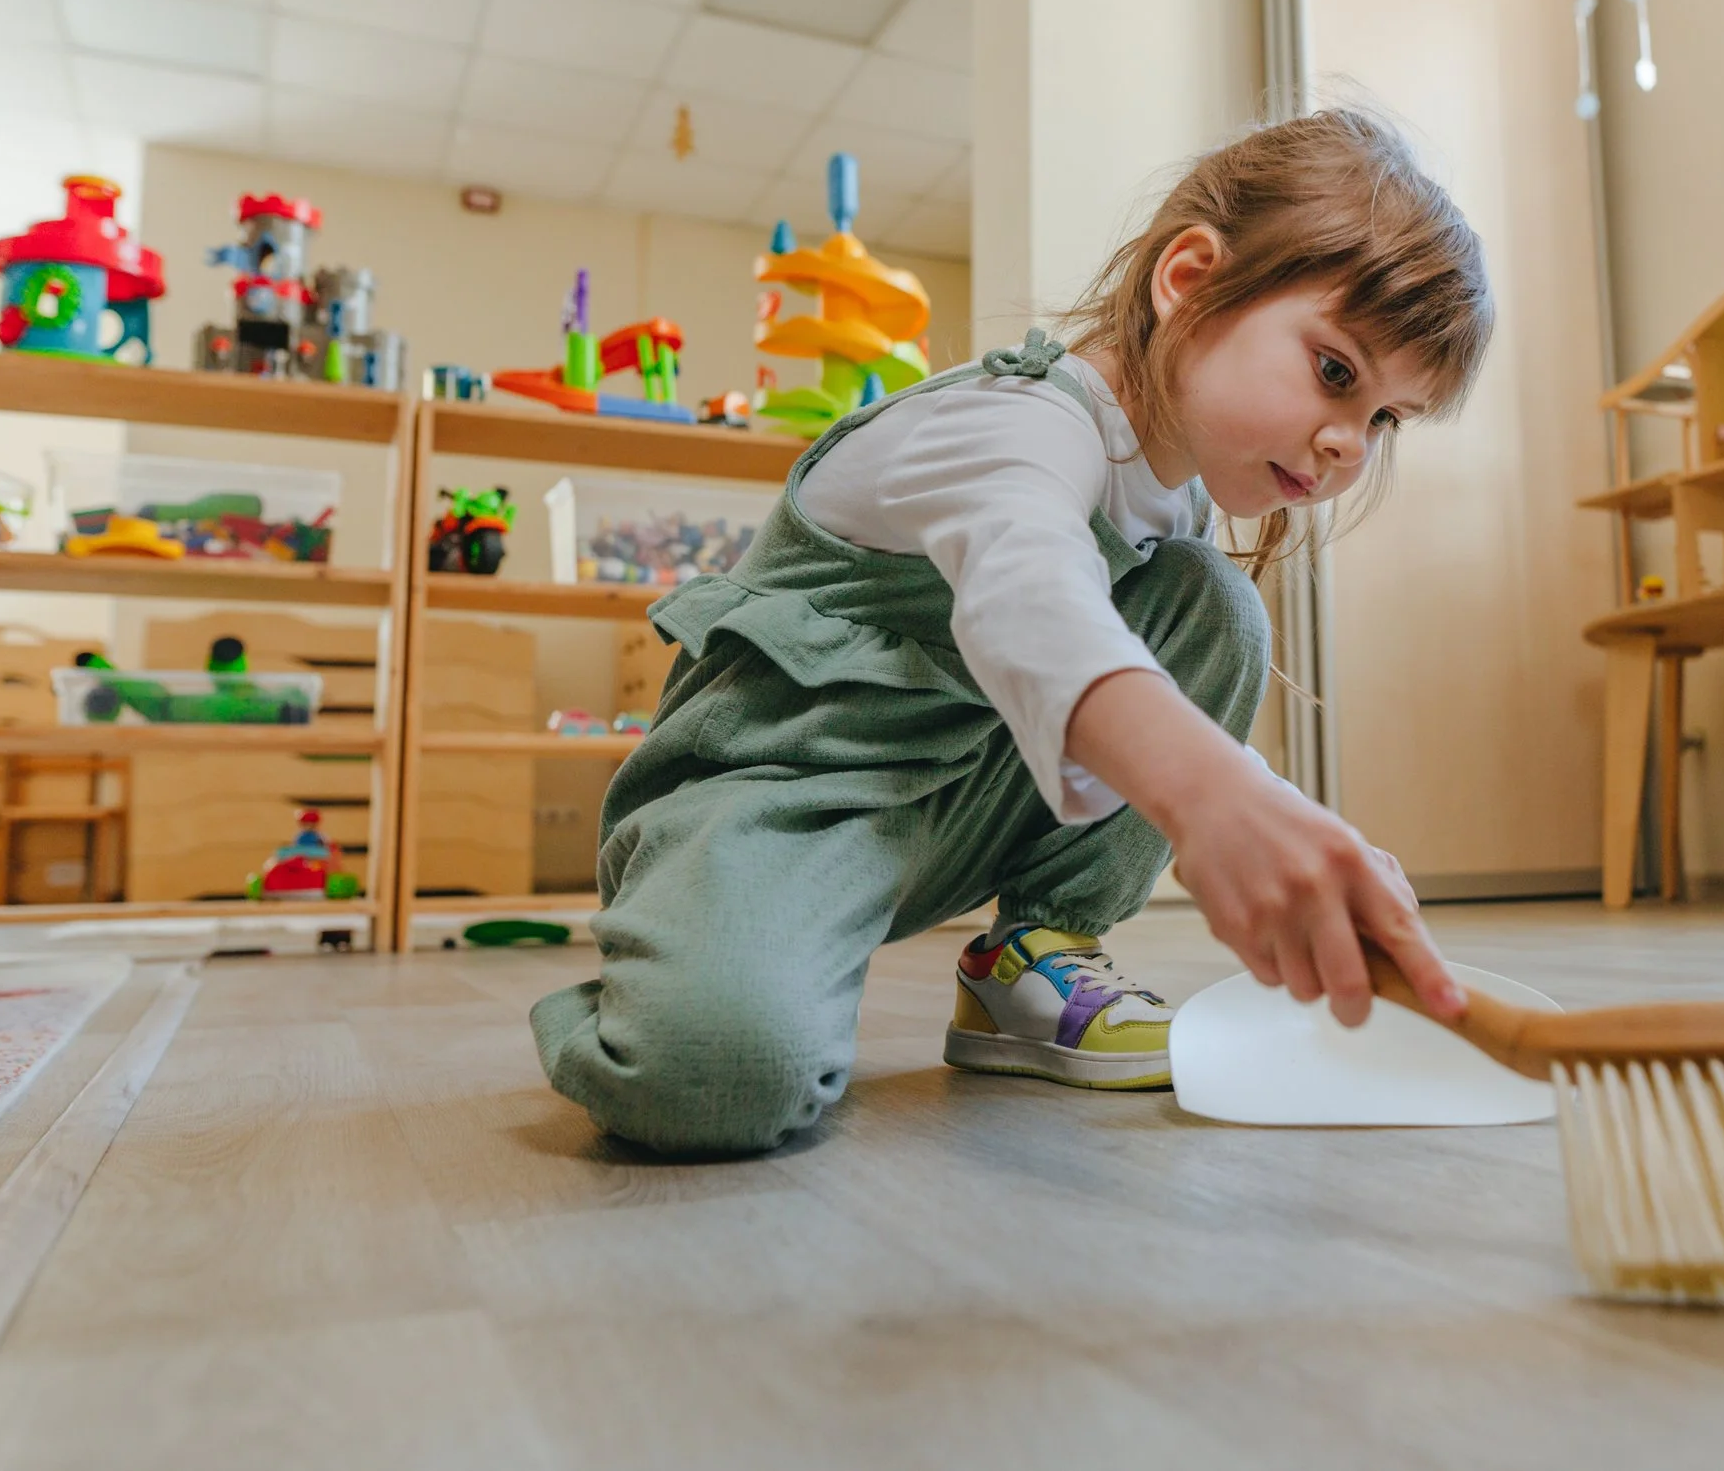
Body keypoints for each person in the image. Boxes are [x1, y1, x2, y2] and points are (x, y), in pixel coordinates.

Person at [533, 107, 1496, 1153]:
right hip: (778, 800)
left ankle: (1032, 953)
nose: (1349, 443)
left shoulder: (1172, 501)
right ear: (1187, 278)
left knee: (1210, 603)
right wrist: (1223, 797)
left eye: (1385, 418)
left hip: (949, 803)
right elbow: (1029, 600)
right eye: (1338, 373)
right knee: (714, 1075)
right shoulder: (1012, 423)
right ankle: (684, 949)